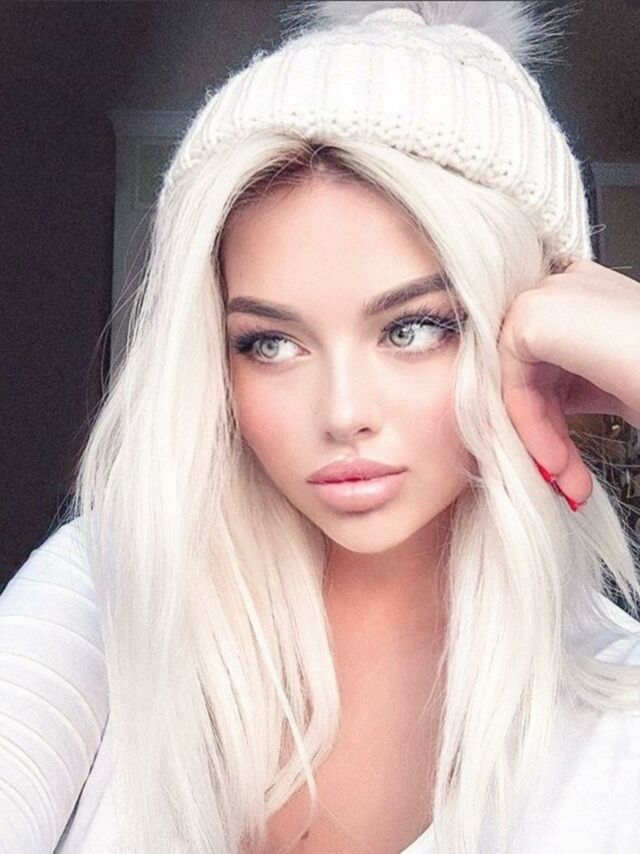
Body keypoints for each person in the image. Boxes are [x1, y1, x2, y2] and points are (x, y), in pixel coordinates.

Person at [2, 2, 640, 853]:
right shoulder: (112, 586)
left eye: (413, 328)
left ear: (525, 327)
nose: (341, 414)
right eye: (270, 343)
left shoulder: (619, 700)